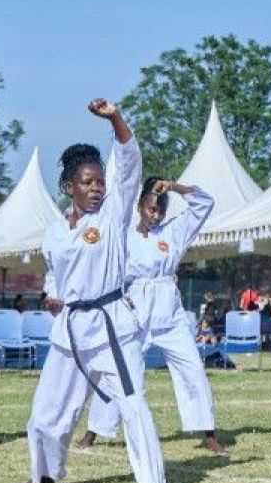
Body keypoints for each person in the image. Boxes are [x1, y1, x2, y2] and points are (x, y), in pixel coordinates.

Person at [20, 99, 175, 483]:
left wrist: (115, 119)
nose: (95, 189)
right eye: (86, 183)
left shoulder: (112, 214)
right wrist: (51, 296)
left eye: (98, 182)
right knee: (45, 412)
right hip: (69, 329)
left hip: (111, 326)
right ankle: (44, 475)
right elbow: (54, 275)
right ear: (69, 187)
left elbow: (128, 160)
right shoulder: (54, 232)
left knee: (132, 403)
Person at [76, 177, 226, 455]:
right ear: (139, 206)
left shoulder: (174, 232)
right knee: (118, 371)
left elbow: (205, 204)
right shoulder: (122, 234)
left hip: (169, 310)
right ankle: (94, 430)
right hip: (134, 310)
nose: (155, 216)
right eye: (150, 209)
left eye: (160, 211)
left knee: (193, 367)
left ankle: (208, 432)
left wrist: (174, 187)